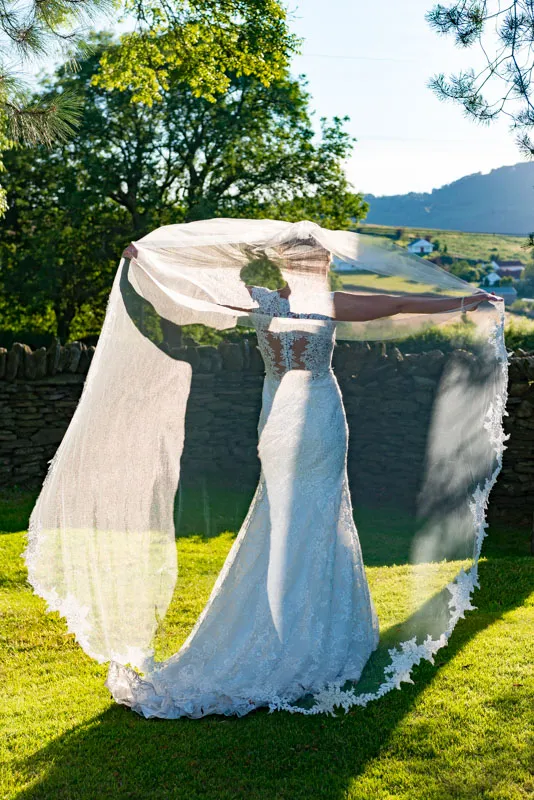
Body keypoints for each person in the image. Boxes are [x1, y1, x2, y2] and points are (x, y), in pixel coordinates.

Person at [106, 237, 498, 719]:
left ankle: (290, 618)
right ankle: (307, 631)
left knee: (288, 510)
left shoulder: (261, 301)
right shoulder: (327, 304)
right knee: (315, 510)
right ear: (320, 266)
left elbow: (199, 290)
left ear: (284, 265)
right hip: (314, 412)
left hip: (278, 410)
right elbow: (397, 303)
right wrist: (466, 300)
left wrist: (149, 260)